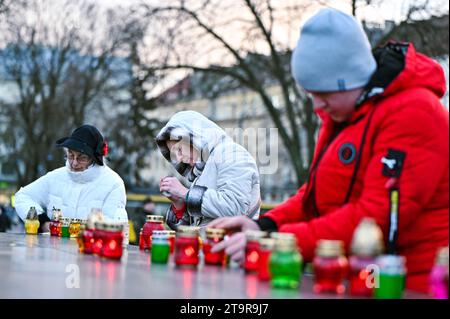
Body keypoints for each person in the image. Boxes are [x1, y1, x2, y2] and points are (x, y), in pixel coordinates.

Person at [209, 8, 449, 294]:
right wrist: (264, 226)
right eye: (311, 94)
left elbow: (374, 217)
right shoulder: (344, 113)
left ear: (351, 79)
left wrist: (276, 240)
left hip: (412, 285)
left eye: (322, 94)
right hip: (358, 279)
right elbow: (315, 196)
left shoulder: (414, 112)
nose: (316, 106)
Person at [155, 110, 261, 229]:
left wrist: (185, 194)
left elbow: (235, 208)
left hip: (231, 246)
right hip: (213, 246)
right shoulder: (202, 170)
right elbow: (198, 227)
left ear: (194, 137)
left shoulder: (232, 153)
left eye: (179, 149)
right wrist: (179, 204)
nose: (178, 159)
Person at [14, 125, 128, 229]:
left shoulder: (113, 184)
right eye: (70, 155)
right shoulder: (55, 177)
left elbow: (116, 227)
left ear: (94, 158)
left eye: (81, 157)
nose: (74, 163)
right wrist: (42, 222)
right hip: (52, 250)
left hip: (91, 249)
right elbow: (22, 197)